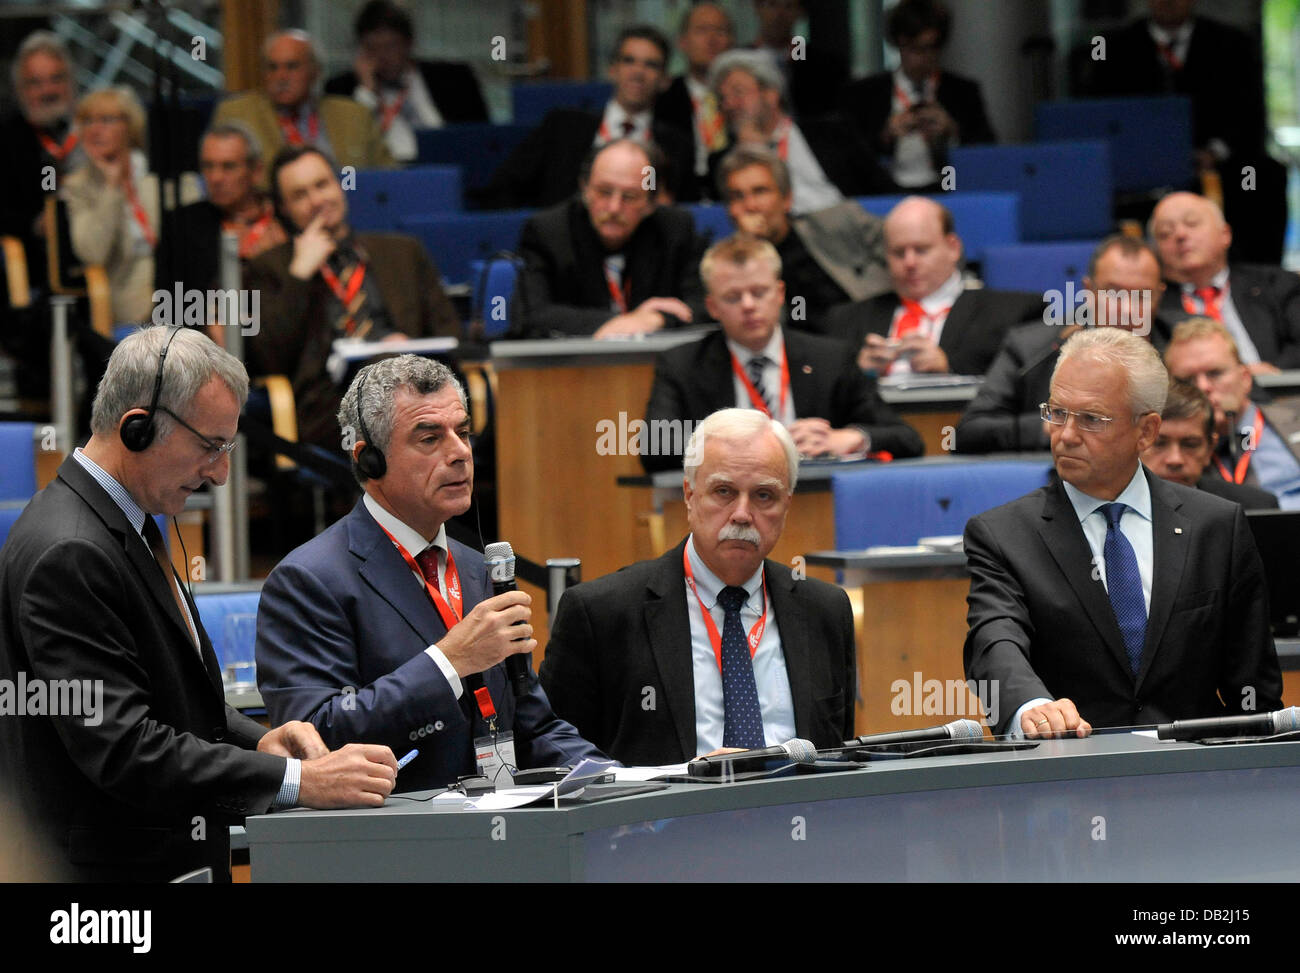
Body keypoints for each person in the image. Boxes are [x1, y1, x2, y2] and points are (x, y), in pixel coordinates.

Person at [0, 326, 399, 881]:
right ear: (136, 429)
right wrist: (297, 783)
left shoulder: (121, 520)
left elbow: (170, 698)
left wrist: (259, 739)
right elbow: (124, 747)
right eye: (210, 447)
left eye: (227, 448)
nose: (221, 473)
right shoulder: (70, 550)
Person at [255, 355, 604, 791]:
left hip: (505, 832)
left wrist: (618, 781)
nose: (459, 453)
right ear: (369, 462)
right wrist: (448, 662)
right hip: (395, 841)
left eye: (462, 433)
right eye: (429, 438)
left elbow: (533, 727)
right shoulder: (308, 580)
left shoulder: (480, 569)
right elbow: (314, 739)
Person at [964, 326, 1282, 739]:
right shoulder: (1004, 534)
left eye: (1091, 419)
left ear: (1146, 431)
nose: (1067, 435)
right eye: (1057, 413)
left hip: (1197, 780)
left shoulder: (1217, 526)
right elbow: (994, 642)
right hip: (1065, 775)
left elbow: (1254, 689)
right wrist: (1032, 706)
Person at [539, 407, 855, 766]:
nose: (742, 513)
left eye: (764, 496)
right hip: (662, 818)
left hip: (796, 817)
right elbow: (555, 757)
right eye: (724, 491)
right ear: (690, 495)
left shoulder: (825, 610)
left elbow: (837, 758)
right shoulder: (602, 613)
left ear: (786, 506)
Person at [642, 233, 922, 473]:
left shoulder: (830, 359)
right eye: (733, 297)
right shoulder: (682, 364)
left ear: (779, 294)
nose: (749, 305)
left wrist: (850, 438)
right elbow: (655, 448)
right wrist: (744, 443)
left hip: (815, 504)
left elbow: (908, 439)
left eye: (759, 292)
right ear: (712, 307)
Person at [243, 145, 458, 448]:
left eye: (322, 185)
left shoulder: (403, 252)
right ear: (283, 209)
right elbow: (269, 359)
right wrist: (299, 275)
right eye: (300, 195)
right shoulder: (269, 268)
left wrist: (407, 353)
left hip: (418, 387)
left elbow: (451, 334)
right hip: (332, 407)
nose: (317, 200)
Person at [1074, 0, 1286, 264]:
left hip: (1218, 163)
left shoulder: (1232, 43)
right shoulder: (1113, 47)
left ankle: (1257, 279)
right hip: (1138, 169)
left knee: (1262, 178)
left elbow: (1249, 113)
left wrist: (1213, 152)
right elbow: (1099, 117)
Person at [954, 235, 1167, 453]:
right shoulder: (1033, 348)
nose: (1127, 310)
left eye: (1142, 296)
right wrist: (1055, 425)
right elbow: (969, 431)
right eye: (1113, 294)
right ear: (1089, 290)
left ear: (1159, 295)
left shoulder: (1184, 348)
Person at [478, 26, 693, 208]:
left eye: (651, 64)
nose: (638, 71)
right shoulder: (563, 127)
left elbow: (682, 214)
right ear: (612, 70)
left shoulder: (675, 145)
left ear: (665, 80)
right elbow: (501, 189)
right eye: (629, 60)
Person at [825, 196, 1042, 376]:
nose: (909, 263)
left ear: (953, 248)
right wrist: (855, 374)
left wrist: (950, 368)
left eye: (921, 250)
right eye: (898, 253)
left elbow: (1026, 388)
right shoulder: (845, 321)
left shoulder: (1011, 313)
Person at [512, 138, 703, 339]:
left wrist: (658, 318)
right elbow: (528, 314)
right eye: (603, 192)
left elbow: (708, 306)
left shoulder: (675, 230)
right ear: (584, 189)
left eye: (629, 196)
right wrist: (625, 321)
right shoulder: (548, 232)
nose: (613, 208)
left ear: (650, 203)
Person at [719, 145, 889, 328]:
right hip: (805, 348)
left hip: (870, 329)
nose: (750, 206)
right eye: (737, 196)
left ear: (787, 199)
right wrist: (748, 250)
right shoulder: (725, 262)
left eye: (760, 191)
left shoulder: (838, 222)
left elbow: (905, 248)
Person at [708, 50, 890, 215]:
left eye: (738, 93)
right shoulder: (722, 161)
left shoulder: (831, 133)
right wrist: (747, 153)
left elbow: (883, 190)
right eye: (723, 98)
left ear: (771, 94)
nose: (729, 104)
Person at [840, 0, 996, 191]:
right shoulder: (865, 94)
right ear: (899, 44)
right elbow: (848, 159)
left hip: (947, 189)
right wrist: (886, 135)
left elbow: (989, 153)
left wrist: (952, 131)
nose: (924, 57)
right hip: (886, 194)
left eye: (932, 47)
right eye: (916, 48)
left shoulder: (963, 92)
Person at [212, 29, 394, 183]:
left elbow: (389, 176)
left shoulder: (355, 115)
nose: (281, 77)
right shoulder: (236, 114)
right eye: (272, 68)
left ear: (315, 71)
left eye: (292, 67)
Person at [1148, 191, 1300, 371]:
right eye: (1165, 233)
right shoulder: (1154, 306)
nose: (1180, 235)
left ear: (1225, 234)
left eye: (1192, 223)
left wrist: (1276, 374)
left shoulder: (1277, 283)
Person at [324, 0, 489, 162]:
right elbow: (350, 149)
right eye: (372, 48)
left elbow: (481, 137)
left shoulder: (454, 78)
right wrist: (367, 92)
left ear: (409, 44)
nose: (382, 56)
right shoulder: (342, 88)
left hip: (446, 164)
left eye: (390, 46)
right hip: (385, 173)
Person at [1162, 317, 1300, 510]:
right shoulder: (1167, 452)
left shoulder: (1295, 418)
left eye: (1215, 373)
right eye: (1187, 380)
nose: (1203, 387)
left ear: (1245, 378)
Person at [154, 122, 286, 299]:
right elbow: (168, 305)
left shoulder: (284, 216)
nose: (216, 178)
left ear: (256, 171)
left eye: (229, 166)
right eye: (208, 166)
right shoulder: (181, 225)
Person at [59, 87, 157, 323]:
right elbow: (93, 254)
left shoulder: (157, 175)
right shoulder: (77, 186)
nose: (95, 130)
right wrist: (111, 188)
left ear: (130, 126)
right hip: (126, 297)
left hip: (178, 286)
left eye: (106, 120)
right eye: (87, 121)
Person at [1142, 377, 1277, 508]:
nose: (1175, 459)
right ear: (1137, 442)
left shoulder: (1254, 506)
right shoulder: (1121, 504)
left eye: (1190, 444)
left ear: (1210, 448)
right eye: (1159, 443)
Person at [655, 2, 734, 201]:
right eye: (702, 30)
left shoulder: (744, 100)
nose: (712, 39)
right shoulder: (662, 99)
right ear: (682, 42)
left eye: (720, 31)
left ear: (731, 41)